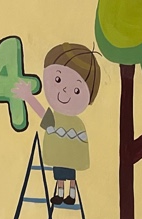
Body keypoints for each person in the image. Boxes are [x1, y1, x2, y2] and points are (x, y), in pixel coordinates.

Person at [14, 43, 99, 205]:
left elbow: (81, 147)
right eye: (58, 80)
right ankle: (60, 194)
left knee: (71, 176)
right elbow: (41, 113)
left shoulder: (77, 123)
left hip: (70, 159)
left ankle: (71, 195)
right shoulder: (55, 118)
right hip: (59, 158)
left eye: (77, 90)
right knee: (59, 175)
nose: (65, 91)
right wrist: (29, 97)